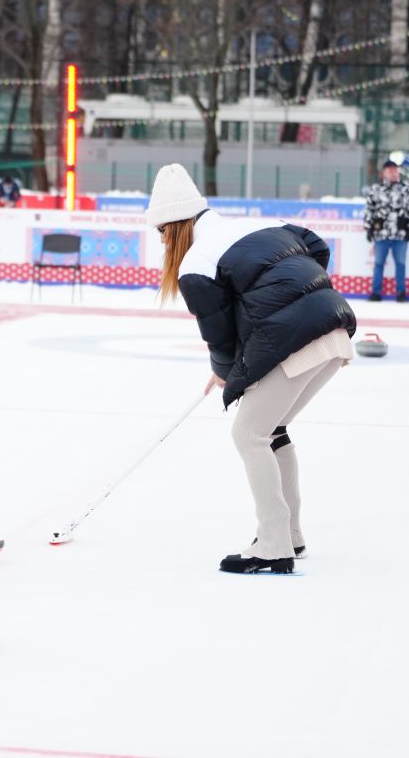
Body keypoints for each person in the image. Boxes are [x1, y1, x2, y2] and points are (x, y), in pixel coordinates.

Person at [149, 164, 356, 575]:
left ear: (172, 228)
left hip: (300, 337)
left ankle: (273, 544)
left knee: (249, 432)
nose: (162, 243)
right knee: (272, 428)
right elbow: (315, 247)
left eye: (161, 234)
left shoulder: (197, 262)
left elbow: (220, 336)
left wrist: (226, 370)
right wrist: (301, 297)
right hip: (335, 328)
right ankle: (290, 536)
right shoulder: (265, 226)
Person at [363, 160, 409, 302]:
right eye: (390, 170)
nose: (393, 173)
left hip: (400, 235)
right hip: (381, 234)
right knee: (378, 263)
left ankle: (401, 293)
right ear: (383, 173)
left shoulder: (407, 189)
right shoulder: (376, 190)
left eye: (395, 170)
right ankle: (376, 293)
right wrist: (369, 228)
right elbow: (369, 210)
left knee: (400, 263)